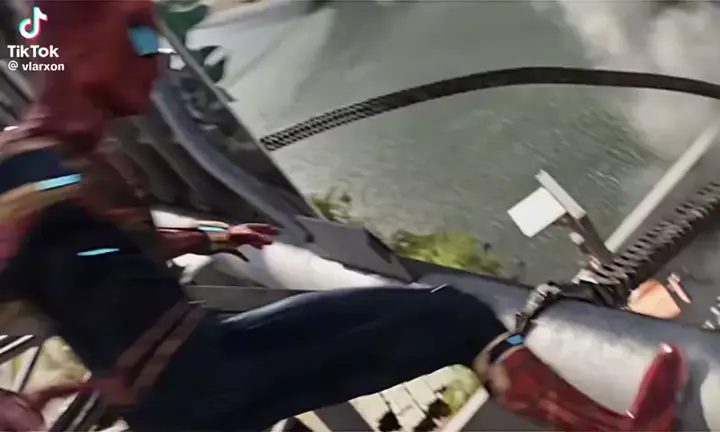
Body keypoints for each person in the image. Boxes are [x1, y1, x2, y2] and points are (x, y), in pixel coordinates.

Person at [0, 1, 688, 430]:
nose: (154, 64)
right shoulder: (25, 169)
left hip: (193, 381)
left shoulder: (69, 161)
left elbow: (112, 251)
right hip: (207, 377)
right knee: (459, 318)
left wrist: (216, 236)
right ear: (79, 52)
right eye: (140, 40)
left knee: (452, 317)